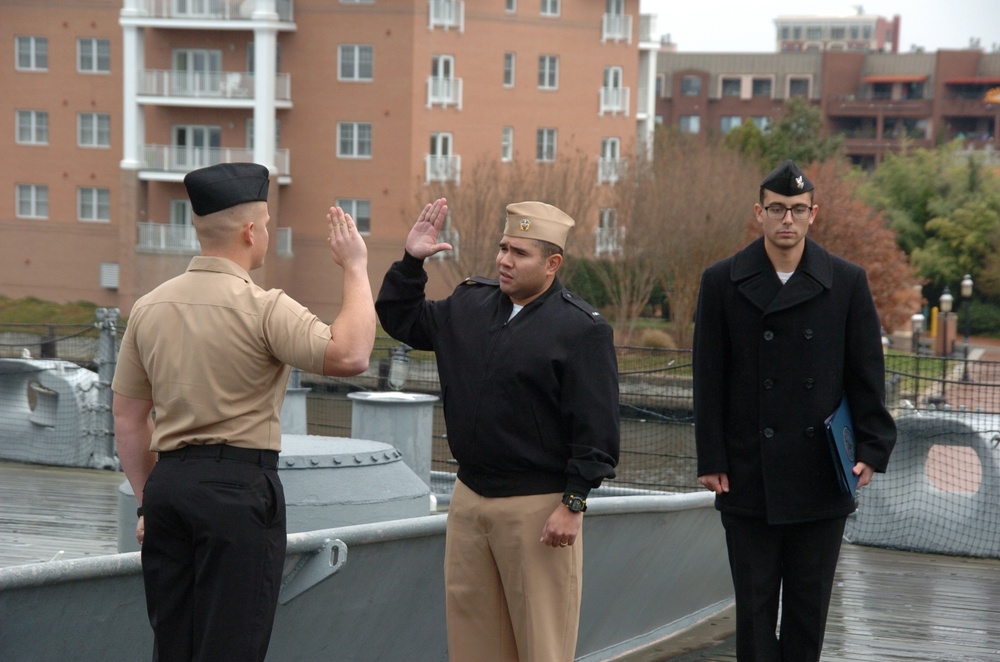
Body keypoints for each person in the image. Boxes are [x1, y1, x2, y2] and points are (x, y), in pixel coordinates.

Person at [112, 162, 376, 661]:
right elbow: (352, 354)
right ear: (251, 231)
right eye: (269, 225)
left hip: (168, 489)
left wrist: (148, 501)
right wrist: (356, 268)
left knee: (173, 646)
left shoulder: (148, 308)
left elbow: (128, 419)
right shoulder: (264, 308)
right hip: (237, 494)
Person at [376, 198, 620, 661]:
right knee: (473, 643)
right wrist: (412, 262)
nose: (504, 260)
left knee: (541, 645)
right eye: (503, 247)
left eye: (520, 253)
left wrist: (573, 502)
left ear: (553, 264)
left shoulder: (580, 329)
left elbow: (596, 427)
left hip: (537, 510)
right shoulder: (470, 302)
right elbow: (403, 320)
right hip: (469, 501)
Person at [692, 159, 897, 661]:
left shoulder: (847, 282)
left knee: (809, 610)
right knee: (755, 609)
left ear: (813, 215)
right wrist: (711, 457)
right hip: (746, 471)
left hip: (822, 473)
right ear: (759, 213)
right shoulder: (721, 281)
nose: (787, 219)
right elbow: (708, 377)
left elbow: (866, 374)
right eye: (777, 209)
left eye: (798, 210)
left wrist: (872, 447)